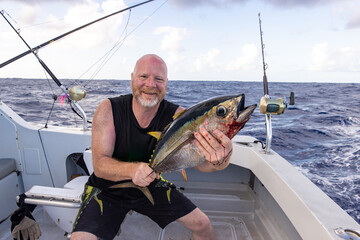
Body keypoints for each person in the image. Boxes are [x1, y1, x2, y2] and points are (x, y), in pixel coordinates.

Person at [71, 54, 233, 240]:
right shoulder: (109, 109)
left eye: (158, 79)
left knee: (202, 224)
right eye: (143, 77)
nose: (150, 84)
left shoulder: (178, 117)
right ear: (132, 78)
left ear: (166, 83)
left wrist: (220, 160)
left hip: (151, 183)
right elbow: (100, 166)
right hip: (106, 189)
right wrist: (133, 170)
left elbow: (199, 164)